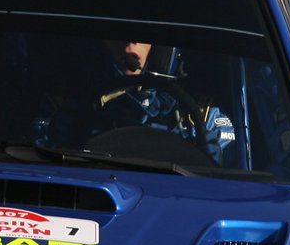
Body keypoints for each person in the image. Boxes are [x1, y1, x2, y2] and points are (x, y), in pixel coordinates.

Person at [92, 39, 236, 164]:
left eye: (143, 32)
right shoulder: (78, 102)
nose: (131, 42)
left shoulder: (204, 117)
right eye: (121, 31)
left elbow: (231, 185)